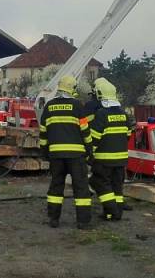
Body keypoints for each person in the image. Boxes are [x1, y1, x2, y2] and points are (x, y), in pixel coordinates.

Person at [39, 75, 94, 229]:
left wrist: (45, 152)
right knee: (81, 187)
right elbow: (85, 131)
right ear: (72, 88)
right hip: (76, 156)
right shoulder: (77, 106)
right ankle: (83, 222)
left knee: (56, 186)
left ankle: (53, 220)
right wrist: (89, 150)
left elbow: (43, 133)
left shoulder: (49, 107)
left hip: (56, 156)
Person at [88, 78, 130, 221]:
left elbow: (94, 138)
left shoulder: (101, 114)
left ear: (99, 94)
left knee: (97, 182)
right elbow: (128, 135)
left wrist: (89, 155)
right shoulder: (124, 114)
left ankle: (113, 210)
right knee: (117, 187)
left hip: (104, 159)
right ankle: (112, 214)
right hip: (121, 159)